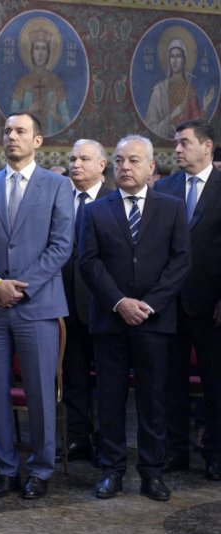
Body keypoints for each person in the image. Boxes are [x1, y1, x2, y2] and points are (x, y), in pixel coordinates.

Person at [0, 112, 73, 499]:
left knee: (40, 393)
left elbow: (61, 245)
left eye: (20, 131)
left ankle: (40, 470)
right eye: (7, 131)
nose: (12, 136)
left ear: (37, 141)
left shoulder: (57, 185)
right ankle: (5, 469)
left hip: (37, 305)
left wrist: (21, 288)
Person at [79, 135, 191, 500]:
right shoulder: (96, 210)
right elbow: (89, 262)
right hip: (110, 319)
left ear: (151, 167)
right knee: (110, 398)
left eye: (133, 160)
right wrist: (119, 302)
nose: (125, 167)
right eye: (119, 161)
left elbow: (180, 262)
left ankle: (152, 473)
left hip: (154, 321)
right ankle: (111, 470)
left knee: (153, 399)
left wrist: (150, 304)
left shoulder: (172, 208)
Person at [156, 119, 221, 481]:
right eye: (176, 143)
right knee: (171, 382)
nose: (177, 149)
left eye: (184, 143)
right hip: (169, 303)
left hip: (212, 305)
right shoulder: (164, 187)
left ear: (207, 146)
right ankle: (175, 451)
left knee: (216, 383)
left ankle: (215, 452)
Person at [60, 139, 114, 463]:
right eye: (72, 159)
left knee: (107, 379)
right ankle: (78, 438)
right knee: (73, 375)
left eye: (83, 159)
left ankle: (107, 442)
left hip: (103, 304)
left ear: (102, 165)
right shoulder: (61, 199)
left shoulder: (113, 200)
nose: (75, 164)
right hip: (65, 303)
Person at [10, 25, 70, 136]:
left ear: (48, 53)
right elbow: (11, 117)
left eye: (44, 49)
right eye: (37, 48)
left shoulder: (55, 82)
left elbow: (67, 121)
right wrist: (30, 110)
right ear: (32, 53)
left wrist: (54, 115)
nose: (40, 54)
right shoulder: (24, 82)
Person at [145, 38, 209, 138]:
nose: (174, 61)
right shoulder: (160, 90)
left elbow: (197, 127)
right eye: (172, 56)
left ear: (184, 60)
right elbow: (151, 126)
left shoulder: (190, 90)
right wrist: (173, 115)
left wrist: (205, 107)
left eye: (178, 56)